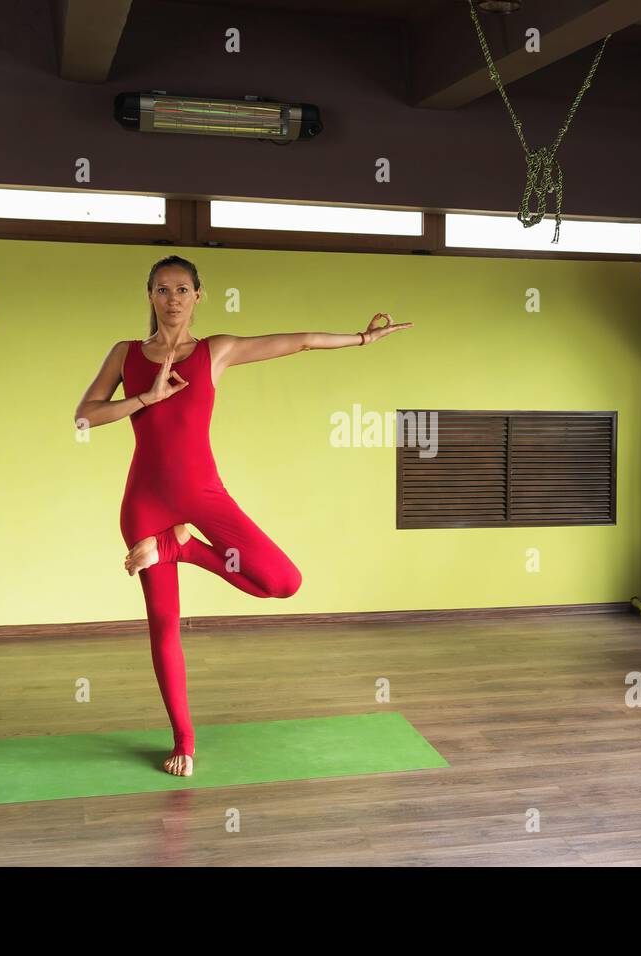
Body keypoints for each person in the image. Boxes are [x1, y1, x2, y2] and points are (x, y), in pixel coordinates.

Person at [73, 255, 412, 776]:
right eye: (162, 289)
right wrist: (146, 397)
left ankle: (179, 548)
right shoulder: (125, 354)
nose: (173, 299)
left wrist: (361, 340)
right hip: (145, 499)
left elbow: (297, 340)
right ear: (149, 296)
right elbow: (84, 416)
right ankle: (184, 741)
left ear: (198, 296)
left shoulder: (216, 351)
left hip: (202, 494)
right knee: (164, 627)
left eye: (182, 289)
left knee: (281, 581)